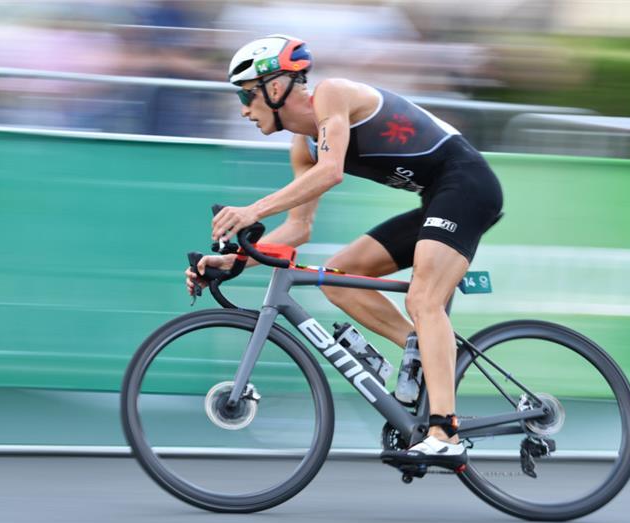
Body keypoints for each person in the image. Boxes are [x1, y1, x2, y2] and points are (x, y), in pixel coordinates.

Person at [185, 35, 503, 469]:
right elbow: (300, 227)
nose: (243, 108)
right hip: (437, 198)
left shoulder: (331, 96)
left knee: (423, 298)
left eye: (247, 94)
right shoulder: (303, 144)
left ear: (275, 88)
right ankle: (421, 346)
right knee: (340, 275)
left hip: (468, 184)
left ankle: (444, 432)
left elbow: (331, 173)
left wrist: (251, 211)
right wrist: (236, 259)